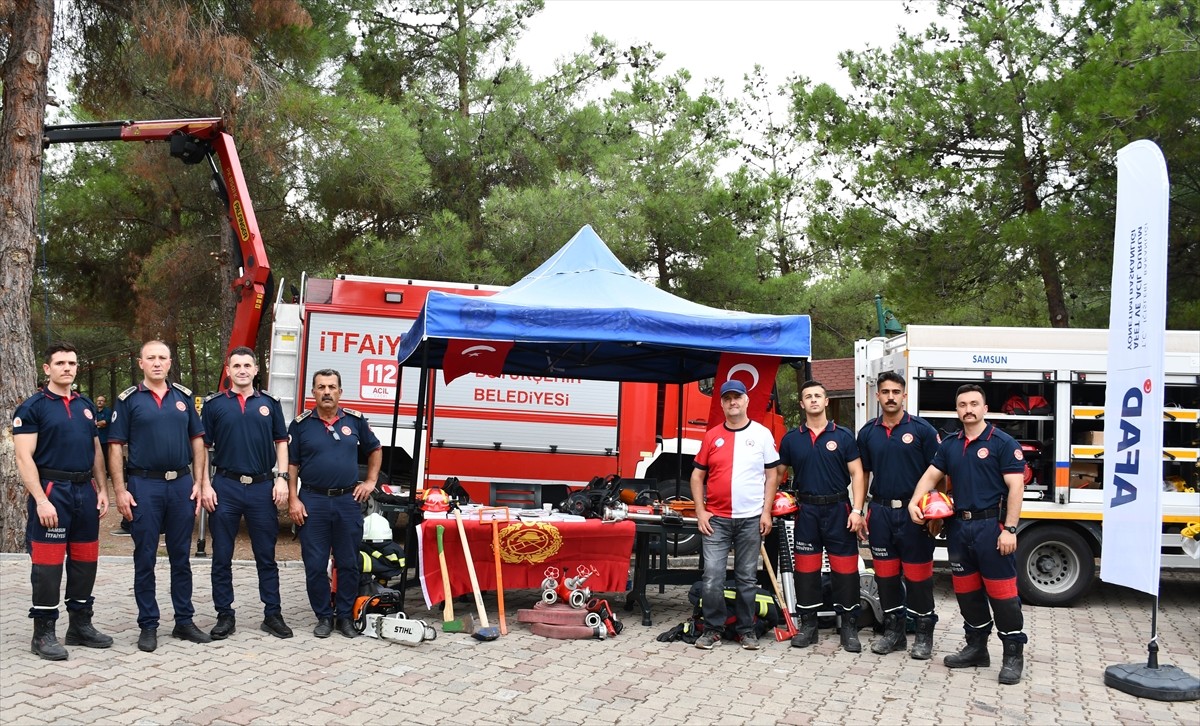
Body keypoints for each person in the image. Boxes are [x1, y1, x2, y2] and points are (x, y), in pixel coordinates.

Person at [908, 384, 1027, 684]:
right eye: (962, 404)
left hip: (992, 528)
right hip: (959, 528)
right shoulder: (949, 444)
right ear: (957, 410)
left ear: (985, 408)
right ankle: (977, 649)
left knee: (1003, 596)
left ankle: (1013, 655)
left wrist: (1010, 529)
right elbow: (931, 476)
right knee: (967, 593)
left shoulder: (1002, 442)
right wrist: (914, 502)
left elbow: (1016, 487)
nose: (968, 409)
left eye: (974, 403)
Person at [108, 340, 214, 653]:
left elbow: (198, 441)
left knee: (181, 557)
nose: (157, 363)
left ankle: (184, 621)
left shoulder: (182, 397)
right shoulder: (128, 401)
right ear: (140, 363)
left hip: (180, 485)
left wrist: (199, 481)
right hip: (144, 487)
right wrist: (120, 490)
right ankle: (148, 624)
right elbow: (115, 446)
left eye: (162, 358)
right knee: (146, 558)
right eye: (151, 358)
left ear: (170, 363)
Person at [13, 343, 112, 660]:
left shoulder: (85, 405)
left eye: (72, 362)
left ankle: (80, 626)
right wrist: (41, 500)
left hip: (84, 491)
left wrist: (102, 488)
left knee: (85, 562)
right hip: (52, 491)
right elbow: (23, 457)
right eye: (60, 363)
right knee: (49, 566)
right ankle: (43, 634)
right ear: (47, 369)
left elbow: (95, 448)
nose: (67, 368)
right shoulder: (33, 408)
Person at [201, 347, 293, 640]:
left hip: (262, 487)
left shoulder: (270, 404)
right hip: (225, 487)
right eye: (236, 365)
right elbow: (202, 448)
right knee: (222, 555)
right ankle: (225, 615)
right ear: (228, 371)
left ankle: (272, 614)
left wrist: (282, 479)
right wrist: (204, 483)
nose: (242, 370)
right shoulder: (214, 405)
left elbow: (281, 442)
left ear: (256, 370)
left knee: (266, 555)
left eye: (247, 365)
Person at [287, 369, 381, 639]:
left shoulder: (355, 420)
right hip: (313, 501)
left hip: (347, 500)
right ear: (313, 393)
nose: (326, 392)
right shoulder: (301, 425)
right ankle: (324, 617)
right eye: (321, 387)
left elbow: (375, 449)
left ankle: (345, 617)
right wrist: (293, 499)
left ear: (340, 391)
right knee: (315, 564)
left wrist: (371, 482)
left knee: (348, 562)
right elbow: (292, 464)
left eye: (331, 387)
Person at [776, 380, 867, 652]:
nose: (813, 400)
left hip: (839, 510)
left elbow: (858, 474)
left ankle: (849, 627)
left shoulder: (844, 436)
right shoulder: (792, 439)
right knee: (806, 571)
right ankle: (808, 626)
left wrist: (858, 510)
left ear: (826, 401)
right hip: (806, 512)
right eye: (808, 397)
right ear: (802, 404)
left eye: (818, 396)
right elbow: (778, 475)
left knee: (846, 571)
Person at [689, 379, 780, 651]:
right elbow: (697, 475)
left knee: (747, 578)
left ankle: (746, 630)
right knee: (713, 577)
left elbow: (772, 474)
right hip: (716, 519)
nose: (733, 402)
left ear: (747, 400)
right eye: (727, 398)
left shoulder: (762, 434)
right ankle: (713, 629)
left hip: (751, 519)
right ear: (721, 403)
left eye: (737, 397)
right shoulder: (712, 435)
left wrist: (766, 512)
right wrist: (700, 511)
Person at [856, 372, 941, 658]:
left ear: (904, 395)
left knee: (919, 579)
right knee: (886, 577)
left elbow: (940, 474)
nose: (890, 396)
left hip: (914, 514)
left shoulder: (922, 430)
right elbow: (862, 474)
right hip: (880, 512)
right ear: (877, 396)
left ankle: (924, 634)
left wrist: (935, 513)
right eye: (885, 392)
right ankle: (894, 633)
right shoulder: (868, 432)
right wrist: (862, 509)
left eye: (895, 391)